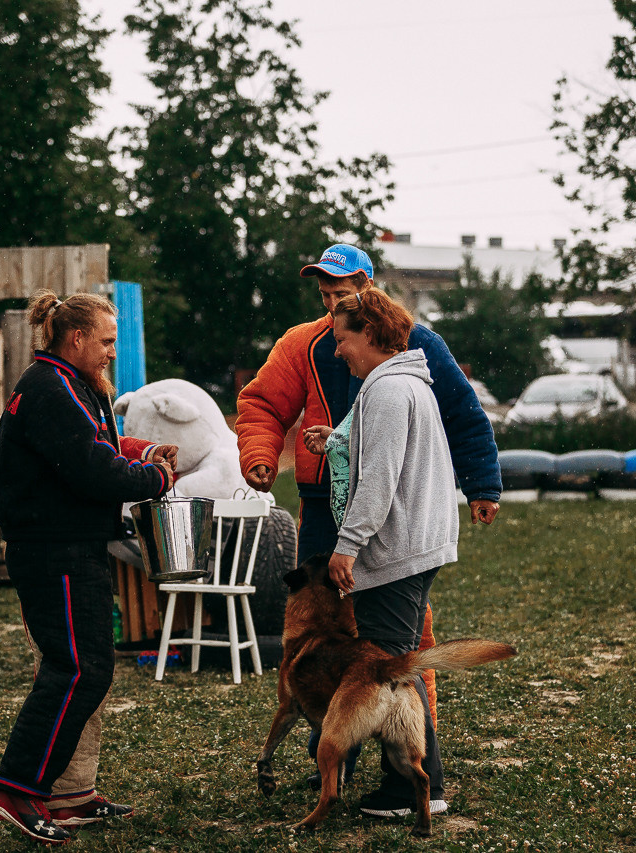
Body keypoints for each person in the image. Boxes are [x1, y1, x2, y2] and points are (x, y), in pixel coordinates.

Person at [234, 243, 502, 804]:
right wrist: (262, 455)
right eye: (325, 295)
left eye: (343, 294)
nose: (333, 309)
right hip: (323, 507)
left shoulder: (412, 349)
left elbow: (461, 415)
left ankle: (412, 772)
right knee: (318, 639)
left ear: (369, 292)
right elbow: (261, 404)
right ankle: (334, 754)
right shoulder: (301, 344)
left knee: (392, 645)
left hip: (383, 519)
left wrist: (482, 484)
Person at [0, 291, 177, 845]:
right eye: (108, 341)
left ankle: (67, 797)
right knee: (75, 670)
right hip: (53, 552)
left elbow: (97, 443)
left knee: (87, 668)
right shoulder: (49, 389)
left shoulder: (67, 385)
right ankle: (16, 789)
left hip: (72, 547)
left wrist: (140, 453)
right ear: (77, 339)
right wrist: (156, 481)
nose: (113, 352)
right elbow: (93, 469)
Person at [323, 289, 458, 818]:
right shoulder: (409, 385)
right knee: (397, 667)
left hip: (398, 548)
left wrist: (348, 546)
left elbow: (378, 481)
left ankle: (413, 788)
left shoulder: (386, 392)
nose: (338, 351)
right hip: (421, 543)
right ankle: (422, 783)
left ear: (372, 333)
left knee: (392, 673)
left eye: (343, 339)